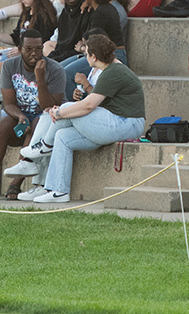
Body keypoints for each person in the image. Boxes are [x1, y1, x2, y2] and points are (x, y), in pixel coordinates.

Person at [23, 32, 146, 204]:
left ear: (93, 57)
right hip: (114, 122)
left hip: (127, 123)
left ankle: (44, 146)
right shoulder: (109, 69)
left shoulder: (113, 72)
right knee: (63, 137)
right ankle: (58, 191)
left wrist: (59, 113)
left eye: (86, 53)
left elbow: (89, 106)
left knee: (66, 108)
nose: (85, 56)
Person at [0, 30, 50, 200]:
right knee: (2, 126)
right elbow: (9, 103)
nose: (34, 54)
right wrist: (19, 116)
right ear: (19, 49)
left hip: (44, 118)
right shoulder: (10, 66)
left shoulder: (53, 69)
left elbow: (49, 107)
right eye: (29, 49)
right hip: (20, 115)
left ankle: (15, 185)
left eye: (39, 49)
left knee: (37, 123)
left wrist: (40, 79)